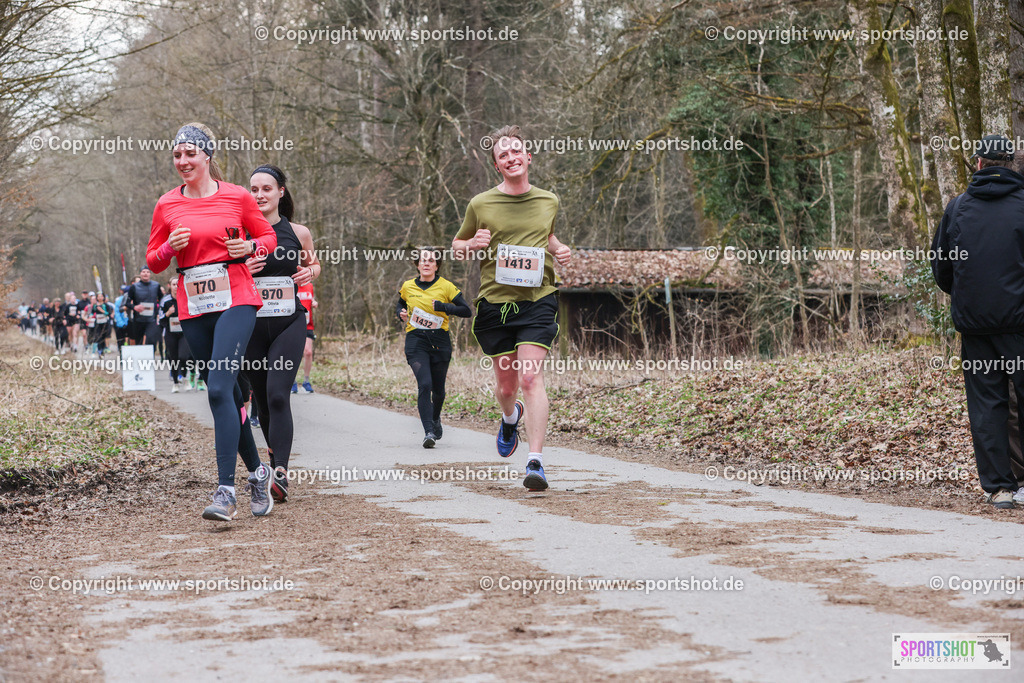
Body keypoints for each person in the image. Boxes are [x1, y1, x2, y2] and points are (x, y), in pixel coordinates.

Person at [146, 121, 277, 521]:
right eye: (177, 155)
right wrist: (171, 245)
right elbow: (153, 261)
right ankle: (257, 472)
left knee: (218, 386)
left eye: (190, 153)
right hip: (194, 305)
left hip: (237, 296)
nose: (183, 161)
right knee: (227, 395)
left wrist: (249, 245)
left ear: (207, 155)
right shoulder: (167, 204)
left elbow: (267, 239)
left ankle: (225, 491)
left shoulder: (237, 196)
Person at [452, 125, 572, 491]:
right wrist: (473, 243)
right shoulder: (481, 204)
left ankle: (535, 461)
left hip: (538, 300)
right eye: (503, 155)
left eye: (516, 151)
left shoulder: (548, 200)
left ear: (528, 156)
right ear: (497, 166)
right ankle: (509, 416)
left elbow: (545, 236)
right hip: (496, 306)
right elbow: (457, 247)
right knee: (507, 387)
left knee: (531, 379)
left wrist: (559, 249)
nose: (511, 157)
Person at [932, 133, 1024, 510]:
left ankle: (1000, 489)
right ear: (1010, 163)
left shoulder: (957, 208)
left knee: (986, 404)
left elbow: (941, 268)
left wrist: (968, 298)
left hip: (975, 325)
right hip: (1020, 324)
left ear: (980, 163)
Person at [243, 164, 321, 502]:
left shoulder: (298, 231)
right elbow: (224, 274)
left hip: (289, 321)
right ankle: (275, 466)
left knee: (278, 394)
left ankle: (283, 471)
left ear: (280, 192)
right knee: (261, 402)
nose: (260, 195)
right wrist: (243, 269)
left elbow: (314, 263)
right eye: (254, 190)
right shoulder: (240, 233)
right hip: (251, 326)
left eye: (266, 189)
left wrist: (310, 273)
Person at [397, 249, 471, 447]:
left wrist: (444, 307)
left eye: (431, 261)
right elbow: (400, 303)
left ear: (437, 265)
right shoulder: (408, 286)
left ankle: (435, 418)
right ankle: (429, 431)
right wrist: (401, 313)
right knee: (425, 385)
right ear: (418, 264)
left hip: (440, 341)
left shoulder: (446, 286)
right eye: (423, 260)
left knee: (438, 391)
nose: (427, 263)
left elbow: (466, 310)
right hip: (416, 340)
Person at [161, 277, 188, 392]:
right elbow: (160, 319)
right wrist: (168, 313)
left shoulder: (186, 297)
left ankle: (185, 377)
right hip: (170, 333)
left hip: (184, 333)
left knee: (183, 356)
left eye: (178, 284)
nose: (176, 287)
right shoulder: (165, 301)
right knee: (173, 357)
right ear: (169, 286)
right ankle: (176, 382)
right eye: (173, 284)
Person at [128, 268, 164, 349]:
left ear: (150, 274)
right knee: (139, 343)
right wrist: (134, 307)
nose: (145, 274)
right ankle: (140, 360)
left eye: (148, 272)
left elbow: (162, 299)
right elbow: (127, 302)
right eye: (143, 272)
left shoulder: (156, 285)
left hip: (152, 320)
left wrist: (158, 311)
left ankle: (150, 359)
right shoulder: (134, 287)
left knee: (151, 341)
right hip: (138, 320)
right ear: (140, 274)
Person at [295, 282, 317, 393]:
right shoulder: (292, 283)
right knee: (293, 353)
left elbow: (311, 298)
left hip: (308, 325)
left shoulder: (310, 285)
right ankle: (292, 382)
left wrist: (313, 302)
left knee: (308, 352)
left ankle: (306, 382)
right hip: (294, 323)